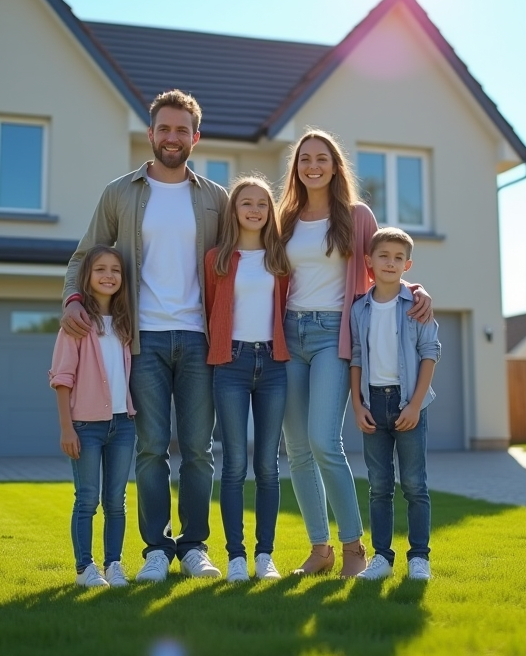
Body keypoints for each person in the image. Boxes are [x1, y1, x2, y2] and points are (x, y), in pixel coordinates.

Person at [61, 89, 228, 582]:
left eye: (182, 130)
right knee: (152, 447)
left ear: (195, 138)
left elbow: (247, 261)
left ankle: (194, 545)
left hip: (199, 339)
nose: (172, 137)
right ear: (151, 133)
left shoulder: (215, 198)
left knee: (198, 449)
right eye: (164, 128)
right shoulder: (121, 193)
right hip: (144, 340)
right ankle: (156, 547)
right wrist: (73, 298)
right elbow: (82, 256)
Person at [277, 130, 432, 577]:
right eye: (305, 158)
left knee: (325, 441)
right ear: (297, 167)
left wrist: (417, 289)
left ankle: (353, 548)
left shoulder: (357, 216)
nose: (313, 165)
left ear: (334, 165)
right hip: (291, 334)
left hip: (333, 334)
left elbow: (386, 263)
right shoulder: (285, 217)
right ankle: (319, 549)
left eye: (321, 158)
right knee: (298, 449)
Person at [203, 175, 291, 583]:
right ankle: (236, 555)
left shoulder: (281, 260)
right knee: (234, 464)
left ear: (269, 212)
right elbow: (208, 309)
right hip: (231, 364)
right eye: (246, 203)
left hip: (272, 364)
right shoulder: (217, 259)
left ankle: (264, 555)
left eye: (261, 203)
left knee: (268, 466)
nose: (254, 209)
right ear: (234, 210)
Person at [349, 227, 440, 581]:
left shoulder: (417, 306)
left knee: (415, 484)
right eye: (383, 256)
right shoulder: (360, 309)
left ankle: (419, 557)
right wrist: (357, 404)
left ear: (408, 264)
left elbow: (430, 353)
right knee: (379, 486)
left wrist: (415, 406)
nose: (391, 262)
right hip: (373, 403)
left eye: (398, 257)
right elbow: (356, 356)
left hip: (408, 403)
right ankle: (382, 559)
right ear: (369, 263)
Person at [49, 245, 137, 589]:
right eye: (100, 269)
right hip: (86, 426)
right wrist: (66, 428)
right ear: (86, 277)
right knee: (87, 498)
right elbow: (61, 378)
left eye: (115, 270)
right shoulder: (76, 324)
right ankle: (85, 568)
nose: (109, 275)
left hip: (123, 425)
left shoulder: (126, 324)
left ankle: (114, 564)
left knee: (117, 500)